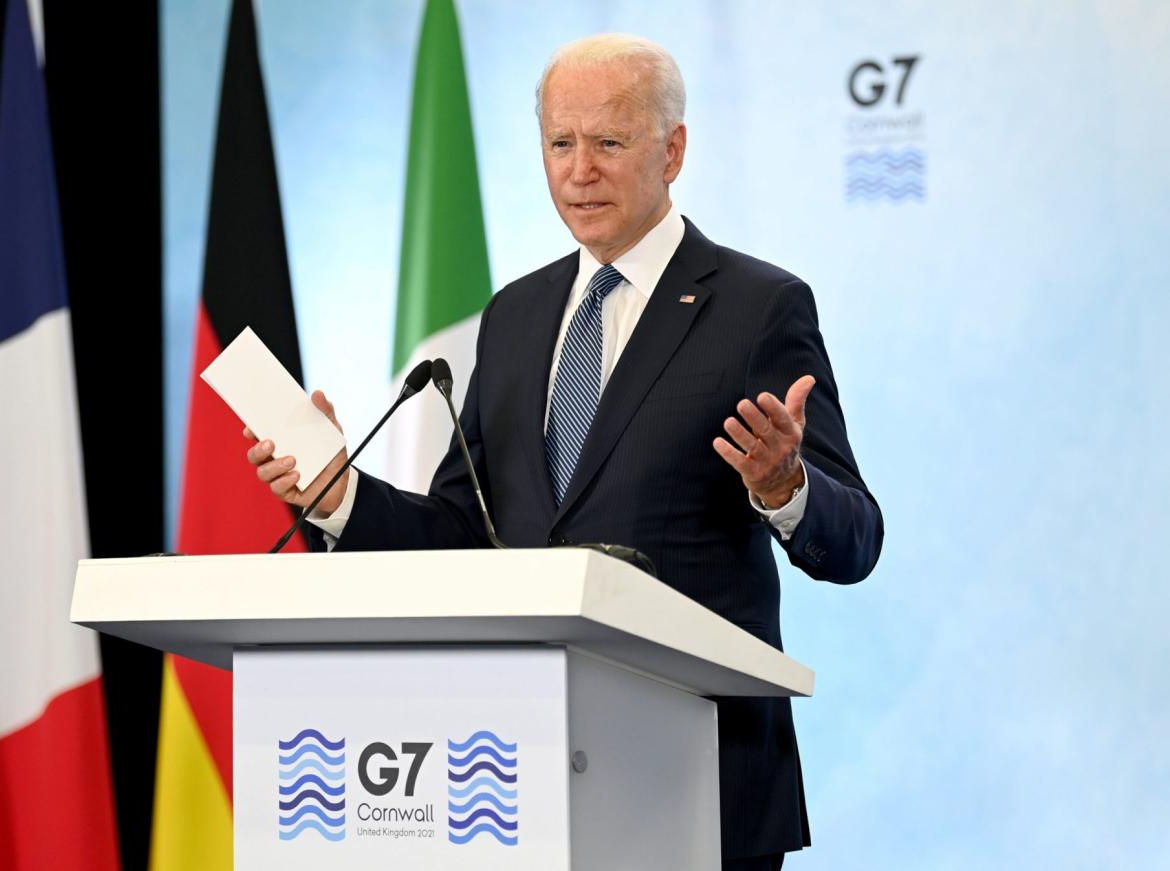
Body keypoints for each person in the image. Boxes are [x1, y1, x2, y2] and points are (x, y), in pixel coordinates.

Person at [244, 33, 882, 869]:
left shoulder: (758, 307)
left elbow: (856, 539)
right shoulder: (512, 316)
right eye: (560, 143)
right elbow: (463, 535)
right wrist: (340, 495)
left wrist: (784, 484)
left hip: (700, 789)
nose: (580, 170)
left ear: (673, 150)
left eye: (609, 142)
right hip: (514, 784)